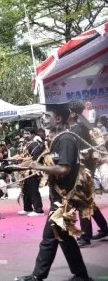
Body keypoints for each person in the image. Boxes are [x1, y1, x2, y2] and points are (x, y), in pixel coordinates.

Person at [15, 102, 91, 281]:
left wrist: (38, 166)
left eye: (47, 116)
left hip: (65, 199)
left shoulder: (65, 139)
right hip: (60, 197)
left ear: (58, 118)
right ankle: (81, 275)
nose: (43, 119)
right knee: (63, 238)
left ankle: (37, 276)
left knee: (49, 238)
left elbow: (64, 169)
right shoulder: (57, 138)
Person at [68, 100, 108, 248]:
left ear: (71, 113)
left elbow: (80, 153)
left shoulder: (78, 128)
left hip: (82, 170)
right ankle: (104, 228)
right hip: (87, 169)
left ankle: (85, 236)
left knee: (82, 202)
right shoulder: (83, 124)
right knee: (88, 202)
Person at [10, 128, 45, 216]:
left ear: (33, 134)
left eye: (27, 133)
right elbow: (22, 155)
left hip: (33, 171)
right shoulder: (26, 144)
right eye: (24, 133)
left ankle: (38, 210)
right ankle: (27, 208)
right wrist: (13, 158)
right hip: (24, 171)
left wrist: (21, 159)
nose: (25, 135)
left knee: (33, 190)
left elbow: (35, 158)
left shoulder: (35, 144)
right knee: (25, 190)